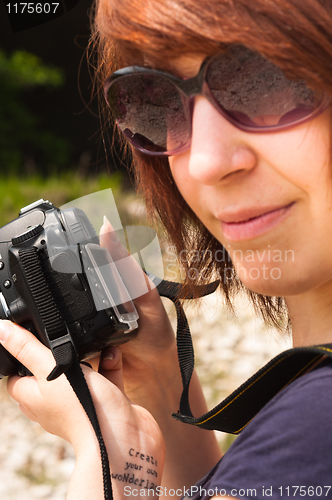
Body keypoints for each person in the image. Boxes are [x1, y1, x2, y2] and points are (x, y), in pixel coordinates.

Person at [1, 0, 332, 498]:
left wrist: (110, 467)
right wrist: (157, 385)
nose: (203, 160)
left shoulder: (315, 426)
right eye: (158, 102)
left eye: (265, 82)